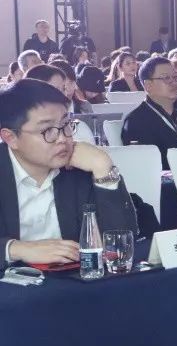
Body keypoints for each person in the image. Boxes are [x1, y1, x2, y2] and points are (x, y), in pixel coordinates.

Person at [0, 80, 137, 269]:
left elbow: (121, 245)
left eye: (66, 124)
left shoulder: (80, 168)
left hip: (73, 280)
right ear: (11, 138)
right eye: (47, 130)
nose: (63, 138)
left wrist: (103, 167)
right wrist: (15, 249)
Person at [121, 58, 177, 168]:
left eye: (175, 77)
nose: (174, 82)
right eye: (166, 78)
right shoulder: (136, 121)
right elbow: (141, 165)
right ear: (148, 85)